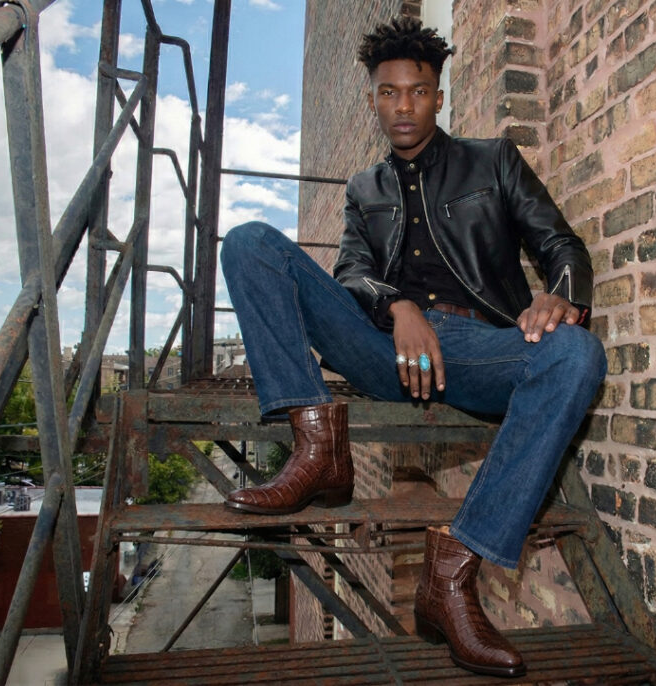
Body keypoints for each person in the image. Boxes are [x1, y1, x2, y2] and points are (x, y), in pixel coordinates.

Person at [220, 17, 606, 678]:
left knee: (577, 355)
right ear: (374, 98)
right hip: (376, 344)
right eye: (389, 92)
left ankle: (452, 575)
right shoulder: (363, 190)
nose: (404, 105)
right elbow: (349, 275)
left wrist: (560, 295)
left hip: (472, 345)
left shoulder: (494, 162)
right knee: (250, 242)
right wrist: (397, 306)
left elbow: (560, 244)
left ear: (438, 95)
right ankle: (318, 445)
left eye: (418, 91)